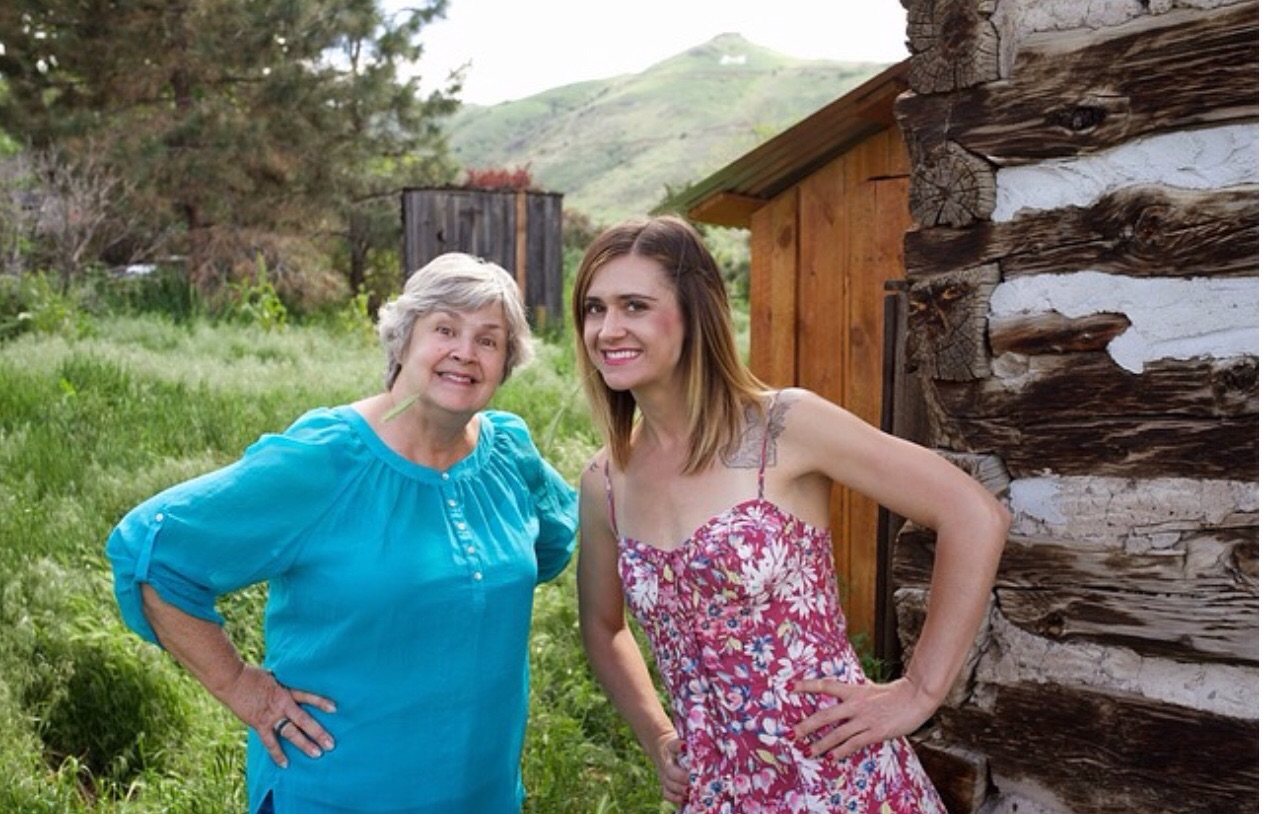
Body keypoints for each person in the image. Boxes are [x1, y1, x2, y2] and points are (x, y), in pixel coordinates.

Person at [106, 253, 579, 814]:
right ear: (404, 339)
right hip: (338, 788)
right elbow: (154, 550)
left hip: (483, 792)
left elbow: (550, 542)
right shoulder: (328, 458)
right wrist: (240, 686)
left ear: (507, 361)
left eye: (488, 340)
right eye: (445, 329)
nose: (465, 352)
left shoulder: (508, 453)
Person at [571, 215, 1010, 812]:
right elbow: (603, 627)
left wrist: (919, 690)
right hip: (717, 792)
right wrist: (658, 736)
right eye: (594, 309)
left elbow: (974, 513)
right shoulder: (605, 480)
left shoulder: (783, 427)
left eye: (635, 306)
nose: (608, 329)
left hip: (839, 782)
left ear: (695, 311)